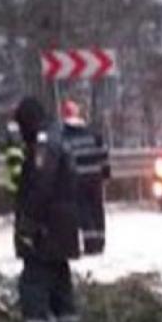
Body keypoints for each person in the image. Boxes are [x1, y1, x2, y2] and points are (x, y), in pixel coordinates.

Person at [12, 97, 82, 322]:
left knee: (34, 281)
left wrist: (28, 223)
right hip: (63, 223)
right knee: (59, 278)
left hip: (47, 224)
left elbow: (40, 186)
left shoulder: (44, 144)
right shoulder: (58, 136)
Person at [59, 100, 110, 255]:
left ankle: (91, 244)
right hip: (95, 177)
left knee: (84, 210)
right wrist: (105, 173)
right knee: (97, 209)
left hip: (77, 178)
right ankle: (100, 243)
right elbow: (103, 154)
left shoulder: (63, 136)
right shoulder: (93, 133)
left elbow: (62, 160)